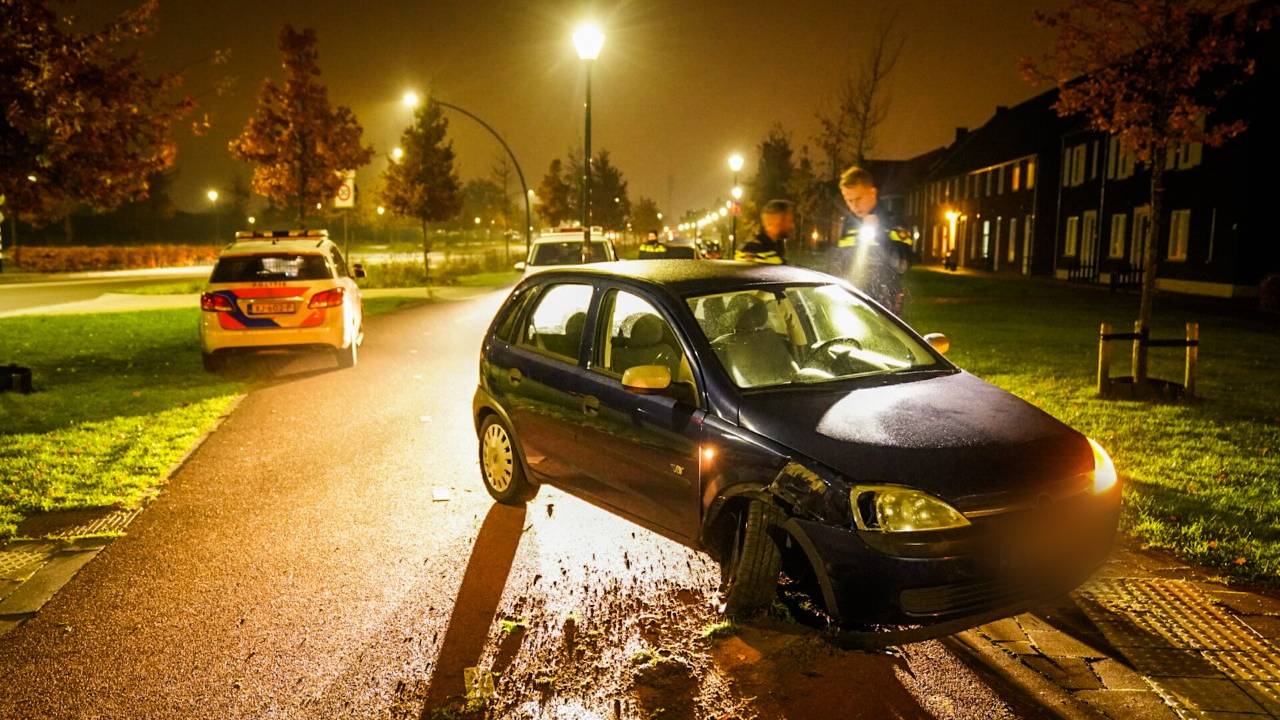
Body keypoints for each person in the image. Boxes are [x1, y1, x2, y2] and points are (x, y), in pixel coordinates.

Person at [835, 166, 914, 313]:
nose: (854, 205)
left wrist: (880, 234)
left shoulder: (894, 223)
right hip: (850, 300)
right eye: (848, 200)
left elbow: (903, 263)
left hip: (883, 303)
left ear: (872, 193)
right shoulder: (848, 226)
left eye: (858, 198)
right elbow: (839, 262)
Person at [734, 199, 794, 265]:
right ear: (776, 221)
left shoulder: (775, 248)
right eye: (789, 221)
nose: (792, 226)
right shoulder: (754, 251)